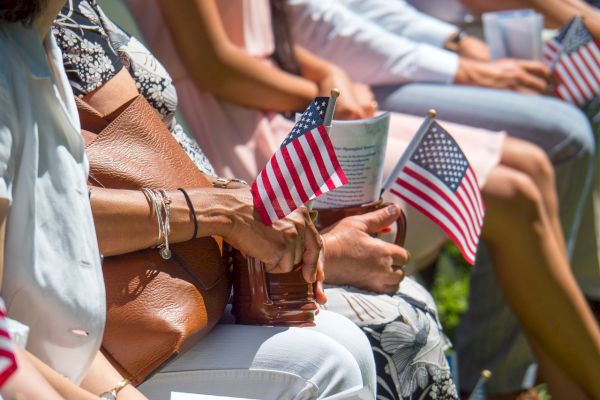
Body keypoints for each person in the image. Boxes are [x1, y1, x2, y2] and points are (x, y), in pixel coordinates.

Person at [122, 0, 600, 398]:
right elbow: (215, 66)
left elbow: (279, 33)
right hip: (251, 141)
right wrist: (318, 90)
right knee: (512, 195)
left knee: (529, 171)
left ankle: (566, 386)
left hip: (285, 107)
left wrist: (324, 70)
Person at [0, 0, 378, 398]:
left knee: (350, 346)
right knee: (324, 365)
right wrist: (224, 213)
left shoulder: (36, 43)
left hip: (139, 309)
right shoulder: (15, 59)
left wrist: (242, 206)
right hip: (114, 327)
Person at [285, 0, 600, 395]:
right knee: (534, 169)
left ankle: (548, 375)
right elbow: (285, 37)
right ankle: (509, 380)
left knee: (533, 166)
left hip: (345, 74)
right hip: (310, 103)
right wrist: (459, 58)